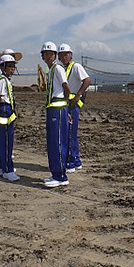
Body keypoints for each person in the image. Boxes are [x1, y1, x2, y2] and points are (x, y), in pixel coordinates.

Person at [40, 41, 70, 187]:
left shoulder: (58, 69)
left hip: (58, 109)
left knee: (58, 142)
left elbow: (66, 87)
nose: (48, 56)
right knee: (52, 142)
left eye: (50, 54)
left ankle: (60, 176)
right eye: (45, 54)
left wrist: (66, 107)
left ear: (55, 55)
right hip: (53, 108)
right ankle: (55, 174)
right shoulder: (50, 70)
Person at [57, 44, 90, 173]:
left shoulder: (76, 67)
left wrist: (78, 96)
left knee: (70, 133)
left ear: (70, 55)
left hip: (73, 104)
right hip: (66, 103)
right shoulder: (62, 68)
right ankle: (75, 160)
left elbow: (87, 80)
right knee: (69, 132)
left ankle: (72, 161)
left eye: (66, 54)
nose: (64, 57)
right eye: (61, 55)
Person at [0, 54, 20, 181]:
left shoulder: (5, 80)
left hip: (5, 111)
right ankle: (8, 170)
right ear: (3, 67)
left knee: (2, 141)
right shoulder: (2, 80)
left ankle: (0, 166)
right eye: (10, 66)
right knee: (7, 142)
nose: (12, 69)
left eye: (13, 66)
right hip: (4, 111)